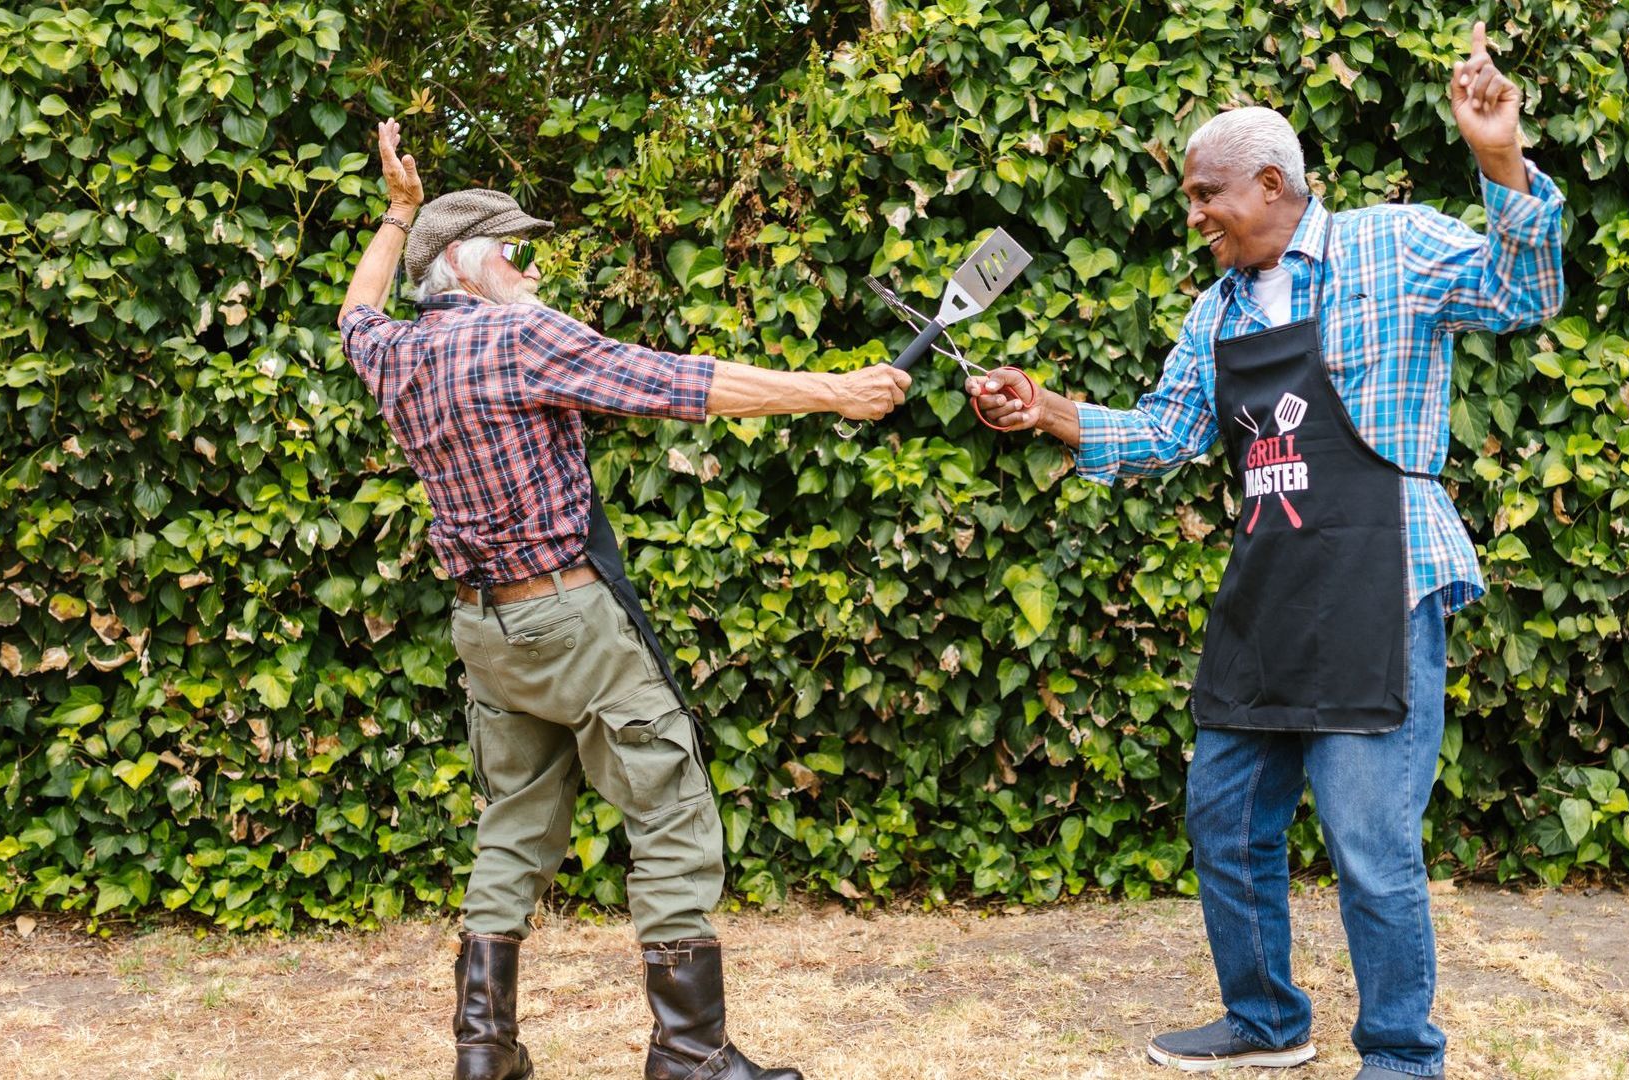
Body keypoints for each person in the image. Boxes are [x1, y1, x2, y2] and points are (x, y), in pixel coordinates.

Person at [970, 22, 1563, 1079]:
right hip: (1272, 590)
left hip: (1384, 582)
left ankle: (1400, 1054)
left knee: (1371, 847)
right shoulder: (1217, 311)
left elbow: (1526, 294)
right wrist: (1043, 407)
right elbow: (1164, 433)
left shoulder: (1393, 244)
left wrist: (1497, 160)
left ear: (1273, 183)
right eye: (1193, 199)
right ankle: (1266, 1021)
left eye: (1208, 196)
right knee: (1224, 818)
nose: (1196, 217)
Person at [335, 120, 910, 1080]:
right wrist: (834, 390)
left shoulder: (395, 354)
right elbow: (677, 384)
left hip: (485, 629)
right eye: (517, 252)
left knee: (512, 825)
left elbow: (355, 311)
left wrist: (396, 218)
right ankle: (688, 1053)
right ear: (470, 267)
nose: (532, 267)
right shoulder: (521, 335)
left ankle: (484, 1053)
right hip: (571, 616)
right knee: (671, 808)